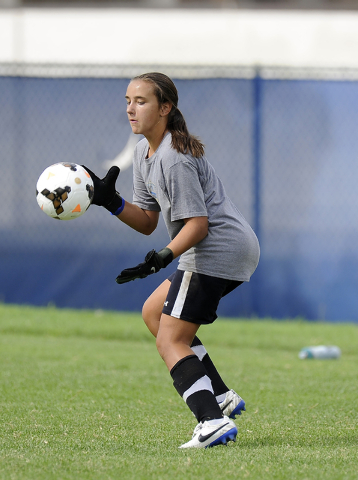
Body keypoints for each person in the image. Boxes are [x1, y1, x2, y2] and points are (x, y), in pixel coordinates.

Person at [83, 72, 260, 449]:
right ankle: (221, 396)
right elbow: (147, 221)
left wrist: (162, 258)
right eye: (127, 101)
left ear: (166, 108)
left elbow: (198, 225)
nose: (131, 109)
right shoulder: (143, 154)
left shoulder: (174, 157)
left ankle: (210, 420)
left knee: (170, 339)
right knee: (153, 313)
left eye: (141, 101)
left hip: (217, 249)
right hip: (213, 249)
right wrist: (109, 202)